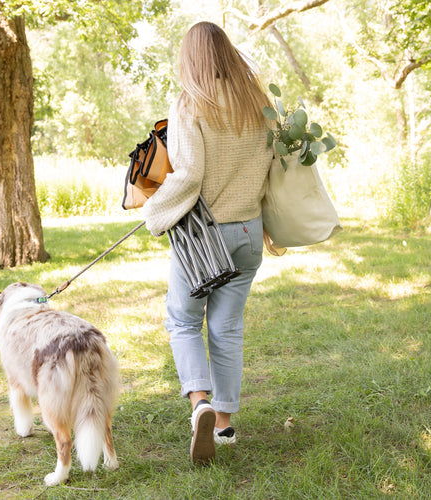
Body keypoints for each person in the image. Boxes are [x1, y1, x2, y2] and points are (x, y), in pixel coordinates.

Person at [143, 21, 273, 464]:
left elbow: (189, 174)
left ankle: (200, 401)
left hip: (205, 236)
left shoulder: (190, 105)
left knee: (182, 319)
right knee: (227, 327)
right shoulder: (258, 104)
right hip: (248, 231)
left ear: (190, 59)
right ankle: (225, 425)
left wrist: (154, 211)